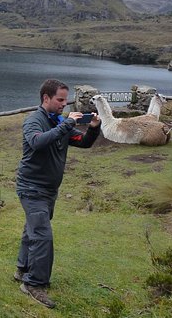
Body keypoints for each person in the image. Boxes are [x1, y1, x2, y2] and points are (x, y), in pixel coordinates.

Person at [14, 79, 101, 308]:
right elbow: (37, 142)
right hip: (31, 188)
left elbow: (82, 142)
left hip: (49, 189)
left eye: (66, 99)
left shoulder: (60, 122)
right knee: (43, 235)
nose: (65, 103)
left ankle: (22, 269)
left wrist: (93, 128)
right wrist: (65, 126)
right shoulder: (34, 121)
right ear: (46, 98)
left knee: (32, 230)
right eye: (60, 99)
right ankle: (34, 284)